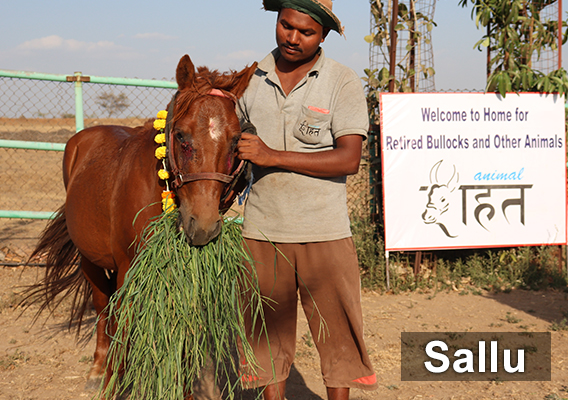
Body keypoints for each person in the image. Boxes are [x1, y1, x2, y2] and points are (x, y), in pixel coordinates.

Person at [236, 1, 378, 399]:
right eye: (286, 25)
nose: (292, 37)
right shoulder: (250, 80)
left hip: (325, 233)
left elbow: (349, 158)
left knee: (337, 337)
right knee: (266, 337)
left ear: (324, 36)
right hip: (262, 233)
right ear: (278, 21)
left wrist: (272, 155)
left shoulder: (341, 81)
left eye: (306, 32)